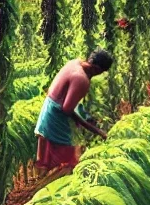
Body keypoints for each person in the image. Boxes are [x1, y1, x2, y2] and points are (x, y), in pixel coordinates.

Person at [34, 50, 114, 185]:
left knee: (46, 159)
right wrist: (97, 131)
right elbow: (67, 108)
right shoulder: (81, 79)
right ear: (97, 69)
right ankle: (42, 192)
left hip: (47, 113)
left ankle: (39, 187)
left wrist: (85, 117)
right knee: (64, 164)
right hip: (56, 120)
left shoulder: (74, 63)